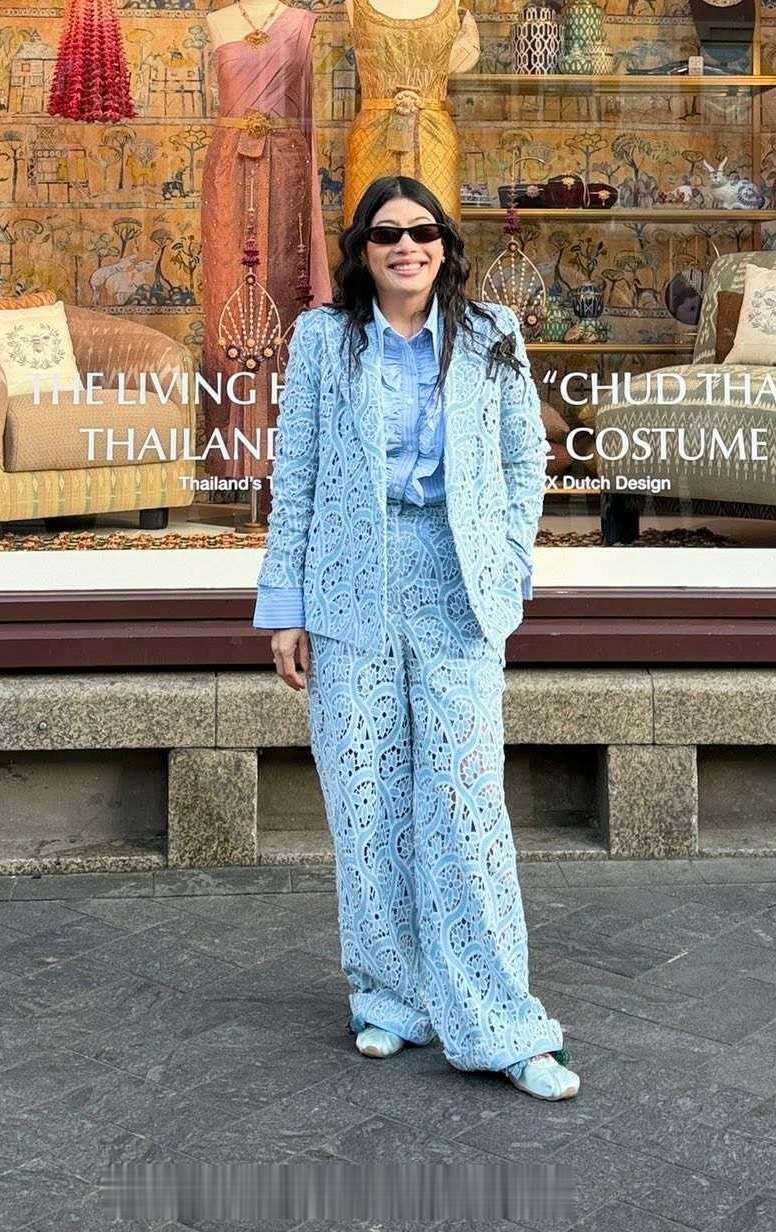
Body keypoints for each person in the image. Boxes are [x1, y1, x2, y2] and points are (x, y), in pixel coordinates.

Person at [253, 175, 578, 1101]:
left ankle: (502, 1023)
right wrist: (285, 608)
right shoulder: (325, 339)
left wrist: (509, 563)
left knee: (465, 800)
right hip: (350, 585)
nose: (407, 247)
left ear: (445, 245)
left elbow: (524, 459)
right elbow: (296, 474)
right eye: (387, 233)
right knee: (364, 797)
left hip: (456, 581)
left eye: (423, 231)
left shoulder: (491, 334)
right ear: (363, 249)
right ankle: (391, 997)